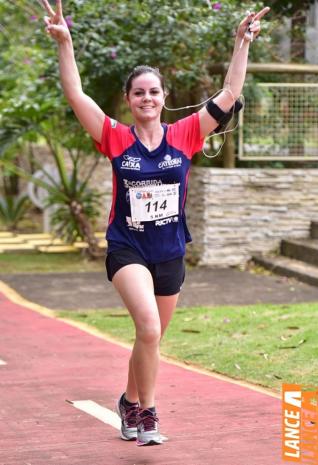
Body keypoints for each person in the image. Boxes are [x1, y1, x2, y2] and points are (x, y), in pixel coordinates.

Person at [40, 0, 270, 447]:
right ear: (128, 100)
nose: (147, 98)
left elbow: (227, 91)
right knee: (147, 328)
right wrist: (65, 44)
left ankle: (127, 400)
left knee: (151, 338)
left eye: (154, 92)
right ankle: (146, 412)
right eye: (139, 92)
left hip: (170, 253)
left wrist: (241, 43)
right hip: (129, 249)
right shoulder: (114, 137)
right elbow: (75, 95)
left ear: (165, 98)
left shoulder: (185, 134)